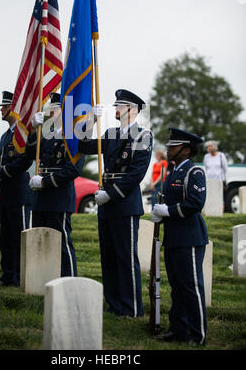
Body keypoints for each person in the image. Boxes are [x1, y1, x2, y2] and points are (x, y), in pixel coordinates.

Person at [78, 89, 153, 318]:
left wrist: (111, 194)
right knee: (108, 256)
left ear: (132, 109)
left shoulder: (143, 136)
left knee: (125, 257)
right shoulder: (110, 133)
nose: (115, 109)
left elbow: (136, 174)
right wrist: (90, 120)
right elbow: (83, 145)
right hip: (106, 203)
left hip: (124, 203)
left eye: (120, 105)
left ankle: (131, 308)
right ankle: (114, 305)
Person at [151, 127, 208, 345]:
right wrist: (160, 213)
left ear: (185, 150)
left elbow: (195, 204)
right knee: (177, 286)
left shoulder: (195, 172)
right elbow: (167, 199)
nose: (169, 149)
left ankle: (197, 334)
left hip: (190, 238)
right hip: (173, 236)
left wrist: (168, 211)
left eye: (173, 146)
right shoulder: (172, 171)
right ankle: (178, 330)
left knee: (191, 287)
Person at [25, 92, 85, 277]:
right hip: (41, 199)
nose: (51, 113)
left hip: (59, 197)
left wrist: (44, 181)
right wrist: (33, 131)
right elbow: (30, 154)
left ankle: (69, 279)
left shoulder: (73, 136)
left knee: (62, 243)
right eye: (50, 110)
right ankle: (45, 280)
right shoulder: (49, 135)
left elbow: (73, 169)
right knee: (42, 242)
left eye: (55, 109)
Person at [0, 91, 32, 286]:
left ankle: (19, 276)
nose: (1, 109)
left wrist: (2, 174)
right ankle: (7, 276)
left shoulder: (22, 134)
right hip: (5, 194)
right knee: (5, 238)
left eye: (5, 106)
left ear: (14, 109)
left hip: (19, 193)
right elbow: (1, 162)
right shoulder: (5, 136)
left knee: (18, 238)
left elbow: (23, 161)